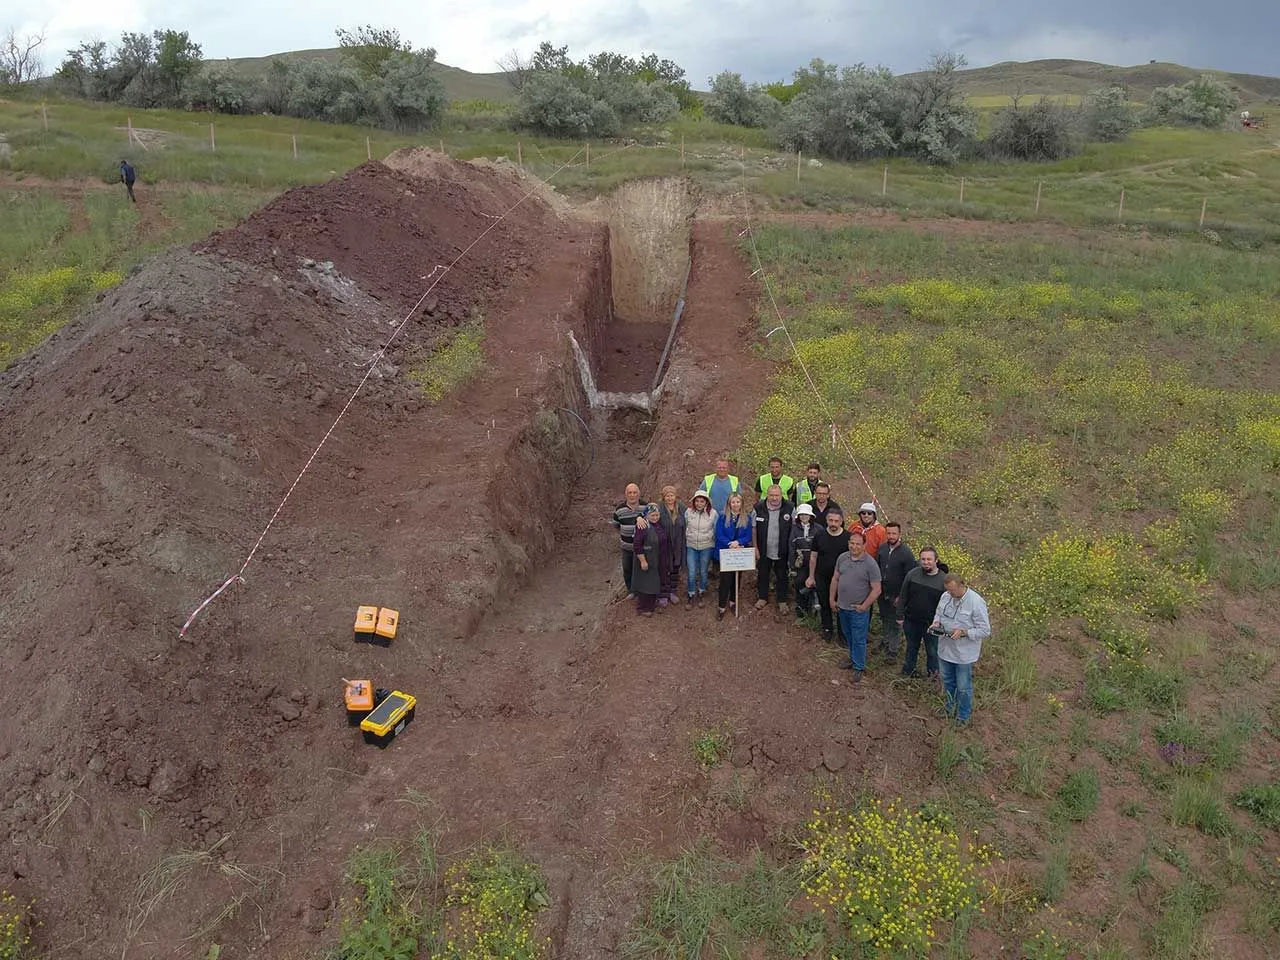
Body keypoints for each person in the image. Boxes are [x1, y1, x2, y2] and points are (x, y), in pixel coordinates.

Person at [931, 573, 992, 727]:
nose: (950, 594)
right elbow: (939, 613)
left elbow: (985, 630)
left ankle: (963, 716)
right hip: (945, 650)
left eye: (952, 591)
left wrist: (964, 632)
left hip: (964, 655)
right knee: (948, 681)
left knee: (963, 686)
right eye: (947, 590)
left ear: (962, 585)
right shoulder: (945, 597)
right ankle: (949, 708)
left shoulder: (976, 602)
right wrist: (936, 623)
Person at [830, 530, 881, 680]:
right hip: (842, 606)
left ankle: (859, 666)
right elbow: (835, 579)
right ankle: (853, 659)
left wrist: (864, 606)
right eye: (852, 543)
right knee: (848, 635)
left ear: (864, 545)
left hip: (858, 610)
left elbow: (877, 589)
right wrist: (832, 599)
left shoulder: (870, 564)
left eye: (858, 544)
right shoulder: (842, 558)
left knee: (859, 638)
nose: (854, 546)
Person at [897, 546, 948, 680]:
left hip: (932, 625)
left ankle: (933, 676)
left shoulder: (944, 581)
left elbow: (947, 606)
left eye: (929, 559)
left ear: (936, 560)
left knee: (932, 651)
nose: (925, 562)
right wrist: (900, 615)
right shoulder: (912, 574)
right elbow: (903, 595)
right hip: (911, 620)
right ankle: (908, 672)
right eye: (923, 559)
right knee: (911, 647)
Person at [807, 507, 850, 642]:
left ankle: (842, 633)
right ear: (826, 520)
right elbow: (813, 557)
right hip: (822, 576)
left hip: (842, 579)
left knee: (841, 605)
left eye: (836, 521)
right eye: (830, 520)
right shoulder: (819, 536)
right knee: (824, 603)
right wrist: (811, 576)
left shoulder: (848, 537)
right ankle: (827, 629)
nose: (833, 523)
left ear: (841, 521)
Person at [875, 522, 916, 661]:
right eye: (889, 533)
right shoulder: (882, 549)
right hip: (882, 592)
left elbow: (909, 578)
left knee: (895, 622)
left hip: (897, 595)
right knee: (884, 617)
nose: (891, 536)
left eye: (894, 533)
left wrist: (902, 597)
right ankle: (885, 641)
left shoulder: (906, 553)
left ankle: (893, 649)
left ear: (899, 534)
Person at [752, 483, 793, 613]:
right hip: (764, 549)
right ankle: (762, 597)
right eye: (771, 495)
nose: (774, 498)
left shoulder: (790, 508)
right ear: (767, 495)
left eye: (777, 495)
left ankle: (782, 601)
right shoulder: (758, 508)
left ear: (782, 495)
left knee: (782, 575)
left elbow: (794, 529)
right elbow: (753, 529)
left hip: (782, 549)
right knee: (763, 574)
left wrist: (791, 550)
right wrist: (755, 547)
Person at [714, 491, 752, 621]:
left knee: (737, 578)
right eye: (733, 502)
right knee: (725, 580)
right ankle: (721, 606)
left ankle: (732, 602)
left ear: (741, 503)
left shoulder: (747, 517)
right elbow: (719, 534)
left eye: (738, 502)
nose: (735, 504)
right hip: (726, 552)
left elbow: (748, 535)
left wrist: (739, 543)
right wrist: (730, 544)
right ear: (729, 504)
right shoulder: (722, 517)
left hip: (740, 553)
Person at [631, 503, 668, 616]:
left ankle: (651, 605)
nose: (655, 517)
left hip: (657, 558)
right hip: (646, 559)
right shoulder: (643, 525)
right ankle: (643, 608)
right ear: (647, 515)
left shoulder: (657, 524)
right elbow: (637, 544)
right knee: (646, 584)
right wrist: (643, 561)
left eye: (657, 515)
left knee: (653, 583)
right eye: (652, 515)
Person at [683, 490, 718, 607]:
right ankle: (691, 593)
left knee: (703, 571)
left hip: (706, 546)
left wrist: (709, 537)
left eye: (702, 501)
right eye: (697, 501)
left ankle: (702, 590)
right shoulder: (688, 512)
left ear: (706, 502)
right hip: (691, 546)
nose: (699, 504)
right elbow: (685, 526)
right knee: (692, 572)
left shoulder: (713, 514)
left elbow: (716, 529)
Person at [610, 483, 645, 596]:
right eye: (629, 493)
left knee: (641, 570)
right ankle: (631, 591)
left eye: (635, 492)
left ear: (638, 494)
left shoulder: (645, 507)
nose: (632, 495)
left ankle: (642, 591)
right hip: (627, 547)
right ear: (626, 494)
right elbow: (616, 525)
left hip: (642, 548)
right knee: (627, 569)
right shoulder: (619, 509)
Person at [787, 502, 819, 619]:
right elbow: (791, 547)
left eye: (806, 514)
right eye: (801, 515)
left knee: (814, 585)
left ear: (811, 516)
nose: (804, 517)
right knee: (800, 583)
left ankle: (814, 608)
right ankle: (801, 608)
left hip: (815, 563)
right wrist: (792, 566)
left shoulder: (818, 529)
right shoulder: (794, 529)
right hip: (800, 563)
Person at [657, 485, 686, 607]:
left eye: (672, 495)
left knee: (675, 568)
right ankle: (663, 594)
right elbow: (650, 518)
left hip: (679, 543)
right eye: (667, 496)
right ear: (663, 497)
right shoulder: (659, 508)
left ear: (675, 496)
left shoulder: (682, 508)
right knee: (664, 569)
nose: (670, 498)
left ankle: (672, 591)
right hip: (665, 544)